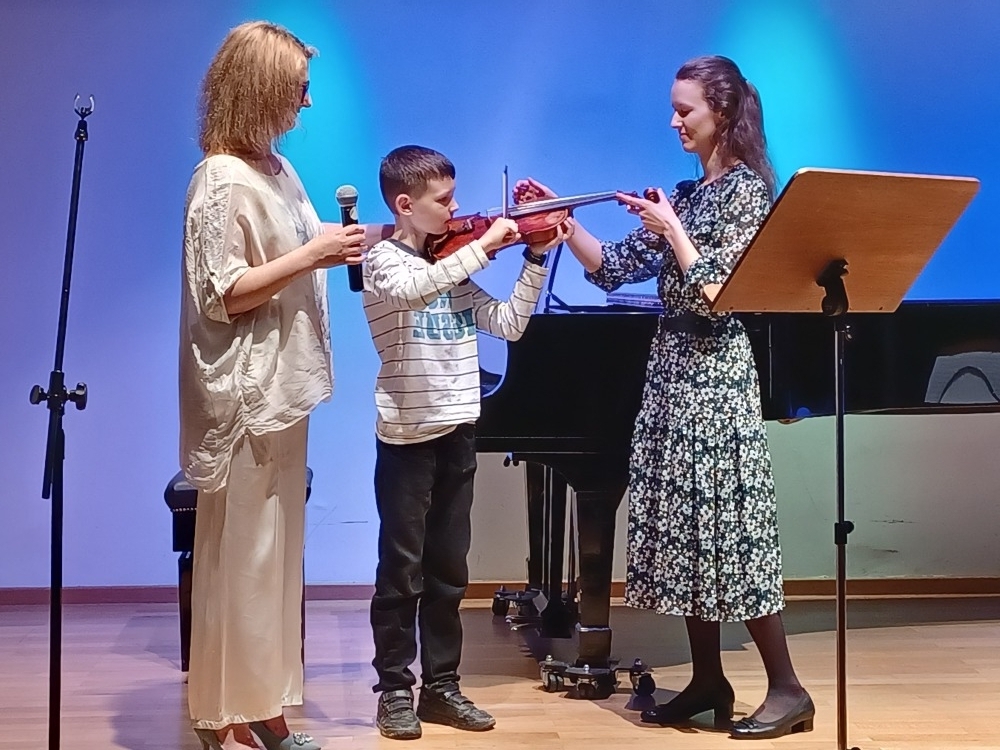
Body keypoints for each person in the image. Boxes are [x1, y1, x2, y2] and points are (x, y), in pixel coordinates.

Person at [515, 55, 814, 740]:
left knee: (729, 532)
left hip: (715, 377)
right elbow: (613, 269)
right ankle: (708, 680)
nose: (674, 121)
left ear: (723, 113)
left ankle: (788, 687)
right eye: (674, 109)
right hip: (673, 373)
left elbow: (719, 293)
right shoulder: (688, 192)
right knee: (686, 534)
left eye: (686, 110)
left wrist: (672, 229)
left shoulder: (745, 194)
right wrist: (564, 221)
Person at [179, 21, 371, 750]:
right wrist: (316, 253)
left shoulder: (277, 170)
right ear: (261, 89)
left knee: (273, 558)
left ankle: (248, 704)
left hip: (282, 389)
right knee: (247, 558)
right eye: (298, 88)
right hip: (247, 396)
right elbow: (224, 294)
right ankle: (242, 710)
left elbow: (311, 247)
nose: (308, 102)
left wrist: (396, 238)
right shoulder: (220, 180)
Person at [362, 145, 572, 740]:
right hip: (407, 437)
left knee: (450, 572)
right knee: (401, 573)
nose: (457, 210)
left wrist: (534, 256)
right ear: (406, 205)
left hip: (458, 432)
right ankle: (394, 690)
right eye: (445, 200)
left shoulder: (452, 268)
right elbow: (415, 290)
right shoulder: (384, 262)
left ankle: (442, 688)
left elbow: (509, 324)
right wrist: (482, 246)